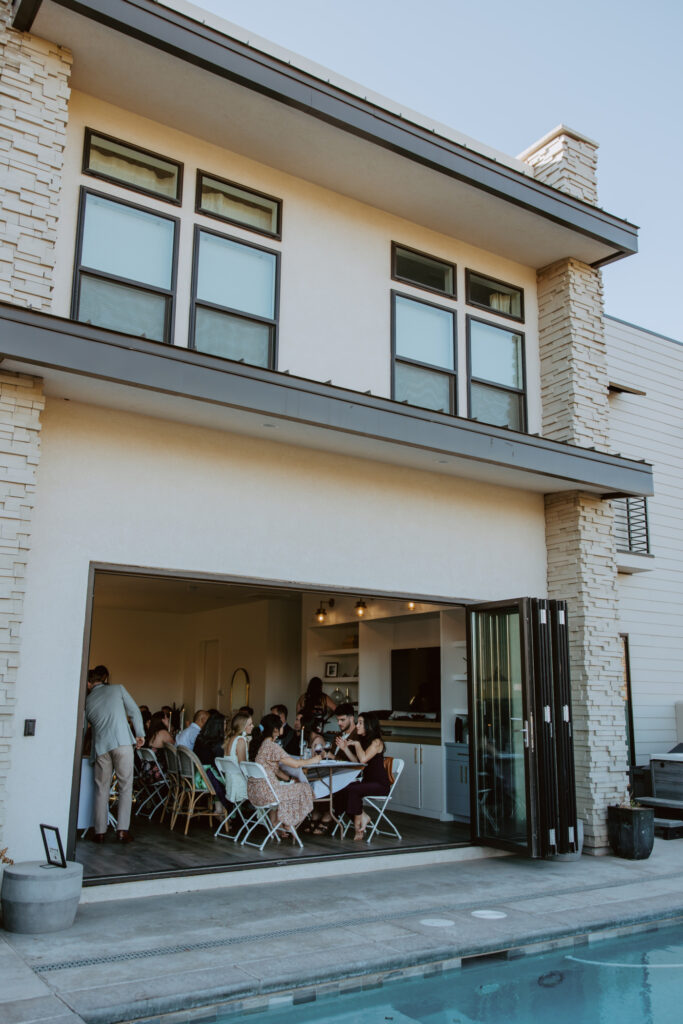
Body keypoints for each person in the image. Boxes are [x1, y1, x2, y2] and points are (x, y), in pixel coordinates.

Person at [84, 665, 144, 844]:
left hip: (101, 747)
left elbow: (84, 727)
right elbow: (134, 711)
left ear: (89, 684)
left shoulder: (86, 701)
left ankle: (100, 832)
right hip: (122, 742)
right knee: (125, 786)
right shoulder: (118, 689)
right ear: (103, 680)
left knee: (102, 789)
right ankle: (122, 831)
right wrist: (140, 734)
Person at [248, 713, 322, 838]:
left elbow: (275, 770)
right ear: (276, 730)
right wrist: (313, 761)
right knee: (305, 788)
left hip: (256, 792)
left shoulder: (263, 746)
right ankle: (289, 822)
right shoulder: (273, 747)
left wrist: (289, 779)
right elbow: (295, 764)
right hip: (269, 793)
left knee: (296, 785)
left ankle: (284, 821)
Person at [333, 712, 390, 840]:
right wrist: (345, 749)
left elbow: (363, 759)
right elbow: (357, 763)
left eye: (360, 723)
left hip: (380, 785)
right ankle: (363, 816)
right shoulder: (364, 741)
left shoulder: (376, 742)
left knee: (353, 790)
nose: (357, 726)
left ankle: (358, 829)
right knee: (341, 789)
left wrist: (357, 745)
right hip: (367, 782)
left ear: (369, 725)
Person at [221, 712, 254, 804]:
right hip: (239, 783)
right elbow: (243, 764)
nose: (253, 726)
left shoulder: (231, 738)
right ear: (243, 726)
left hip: (230, 782)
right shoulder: (240, 740)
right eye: (250, 724)